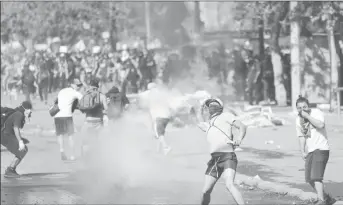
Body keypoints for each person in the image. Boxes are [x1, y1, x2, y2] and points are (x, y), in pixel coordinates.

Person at [197, 98, 247, 205]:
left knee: (229, 184)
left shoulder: (226, 116)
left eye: (214, 104)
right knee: (205, 191)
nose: (212, 106)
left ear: (221, 107)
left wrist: (239, 138)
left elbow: (242, 126)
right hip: (214, 160)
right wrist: (201, 107)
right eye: (210, 105)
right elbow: (200, 121)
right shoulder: (209, 124)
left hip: (228, 156)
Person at [295, 96, 335, 205]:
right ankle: (327, 198)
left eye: (304, 107)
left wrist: (307, 116)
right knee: (309, 178)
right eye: (299, 108)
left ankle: (321, 201)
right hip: (310, 150)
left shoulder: (316, 113)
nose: (302, 110)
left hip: (321, 149)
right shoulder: (298, 119)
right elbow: (301, 136)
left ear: (308, 106)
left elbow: (321, 125)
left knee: (316, 177)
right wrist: (302, 151)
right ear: (296, 109)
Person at [137, 82, 172, 155]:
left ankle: (166, 147)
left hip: (158, 116)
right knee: (160, 133)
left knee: (159, 134)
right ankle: (158, 150)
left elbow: (139, 96)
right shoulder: (161, 92)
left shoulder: (149, 93)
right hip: (167, 116)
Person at [54, 79, 83, 161]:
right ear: (72, 84)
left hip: (57, 115)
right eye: (78, 85)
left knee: (60, 135)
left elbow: (56, 101)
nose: (79, 87)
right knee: (70, 136)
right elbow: (84, 102)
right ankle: (72, 155)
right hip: (67, 116)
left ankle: (62, 151)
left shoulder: (62, 91)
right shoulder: (75, 93)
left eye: (80, 85)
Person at [1, 101, 32, 178]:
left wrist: (21, 139)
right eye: (30, 110)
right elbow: (16, 128)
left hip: (5, 135)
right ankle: (10, 170)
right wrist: (20, 141)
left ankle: (11, 169)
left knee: (23, 149)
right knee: (23, 150)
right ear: (26, 109)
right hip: (5, 135)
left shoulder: (17, 113)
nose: (30, 112)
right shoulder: (19, 115)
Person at [79, 78, 109, 157]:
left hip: (88, 121)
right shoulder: (102, 96)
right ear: (98, 86)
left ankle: (85, 157)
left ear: (90, 85)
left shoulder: (86, 95)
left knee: (86, 141)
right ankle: (99, 157)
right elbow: (107, 110)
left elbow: (82, 107)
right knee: (100, 140)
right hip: (98, 122)